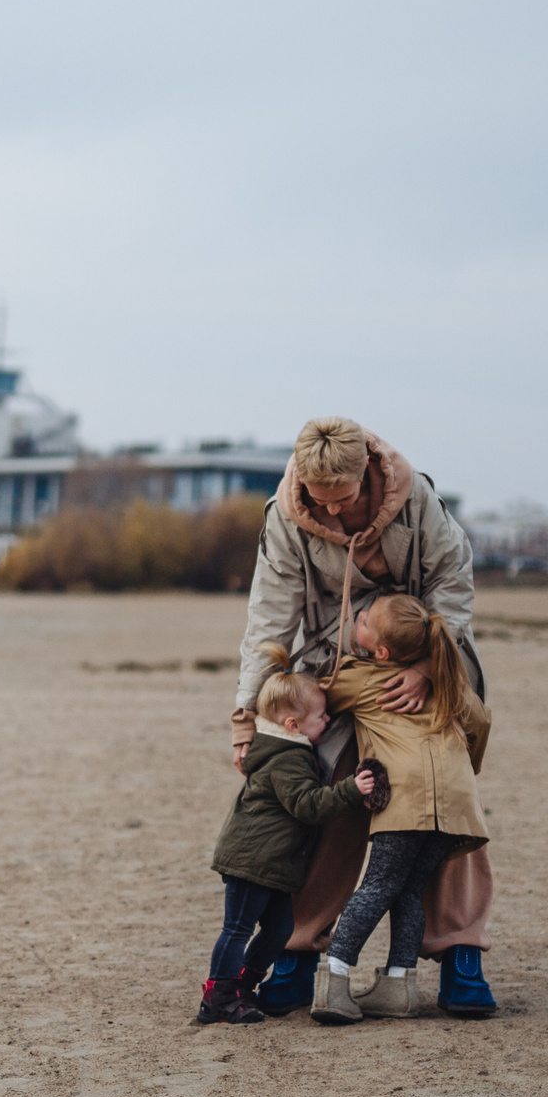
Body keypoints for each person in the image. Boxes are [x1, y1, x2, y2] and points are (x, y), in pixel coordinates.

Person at [231, 416, 500, 1019]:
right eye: (319, 501)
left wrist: (429, 667)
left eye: (344, 499)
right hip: (332, 669)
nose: (331, 513)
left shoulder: (418, 499)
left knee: (442, 797)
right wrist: (246, 717)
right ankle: (299, 950)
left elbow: (453, 583)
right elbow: (269, 618)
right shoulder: (285, 516)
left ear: (368, 475)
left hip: (422, 660)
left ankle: (461, 952)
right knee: (328, 792)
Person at [308, 595, 491, 1024]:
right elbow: (480, 722)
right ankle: (398, 985)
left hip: (407, 800)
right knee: (408, 889)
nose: (358, 616)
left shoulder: (364, 678)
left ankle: (334, 979)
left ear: (382, 653)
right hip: (455, 804)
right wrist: (468, 768)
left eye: (365, 621)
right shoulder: (447, 678)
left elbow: (319, 694)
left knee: (378, 884)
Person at [200, 644, 378, 1025]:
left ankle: (243, 984)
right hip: (252, 861)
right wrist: (351, 789)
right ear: (293, 725)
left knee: (281, 928)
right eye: (321, 716)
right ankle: (218, 996)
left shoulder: (291, 751)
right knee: (237, 928)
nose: (328, 720)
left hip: (273, 865)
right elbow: (307, 805)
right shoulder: (288, 758)